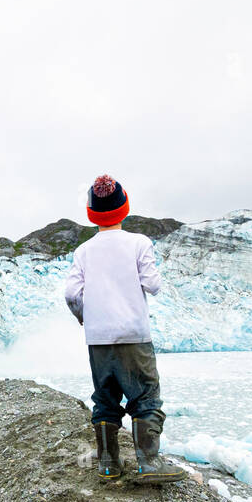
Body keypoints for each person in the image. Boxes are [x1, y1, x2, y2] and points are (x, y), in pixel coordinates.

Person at [63, 175, 185, 483]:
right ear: (125, 207)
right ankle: (148, 462)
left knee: (105, 399)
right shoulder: (139, 243)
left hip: (98, 339)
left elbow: (71, 294)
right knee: (145, 397)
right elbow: (153, 285)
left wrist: (83, 317)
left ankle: (108, 463)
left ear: (92, 214)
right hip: (134, 335)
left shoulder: (84, 251)